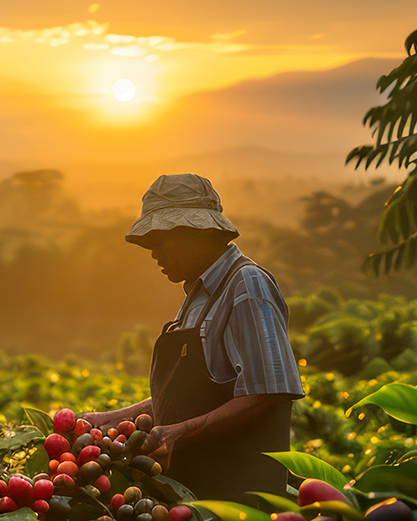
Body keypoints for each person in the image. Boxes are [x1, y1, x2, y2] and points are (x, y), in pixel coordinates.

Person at [86, 173, 304, 502]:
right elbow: (195, 396)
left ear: (196, 232)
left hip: (239, 501)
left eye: (161, 240)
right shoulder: (198, 296)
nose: (154, 253)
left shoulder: (247, 286)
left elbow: (267, 392)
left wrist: (178, 434)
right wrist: (111, 418)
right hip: (195, 498)